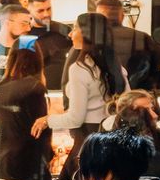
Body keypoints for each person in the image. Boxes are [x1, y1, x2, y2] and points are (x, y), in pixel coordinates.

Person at [36, 12, 118, 147]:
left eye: (74, 28)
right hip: (111, 135)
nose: (70, 34)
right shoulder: (115, 66)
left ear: (87, 33)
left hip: (89, 137)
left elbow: (75, 119)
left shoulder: (80, 69)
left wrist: (46, 120)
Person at [0, 46, 51, 180]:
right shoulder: (35, 88)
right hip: (25, 168)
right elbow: (40, 133)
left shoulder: (2, 87)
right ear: (37, 61)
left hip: (1, 165)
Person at [92, 0, 160, 90]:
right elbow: (156, 69)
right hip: (136, 94)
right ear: (122, 16)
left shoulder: (91, 40)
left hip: (101, 94)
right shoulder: (142, 38)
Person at [24, 0, 72, 89]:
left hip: (64, 88)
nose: (46, 14)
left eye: (49, 9)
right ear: (29, 12)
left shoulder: (64, 30)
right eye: (40, 11)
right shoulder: (25, 36)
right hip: (36, 90)